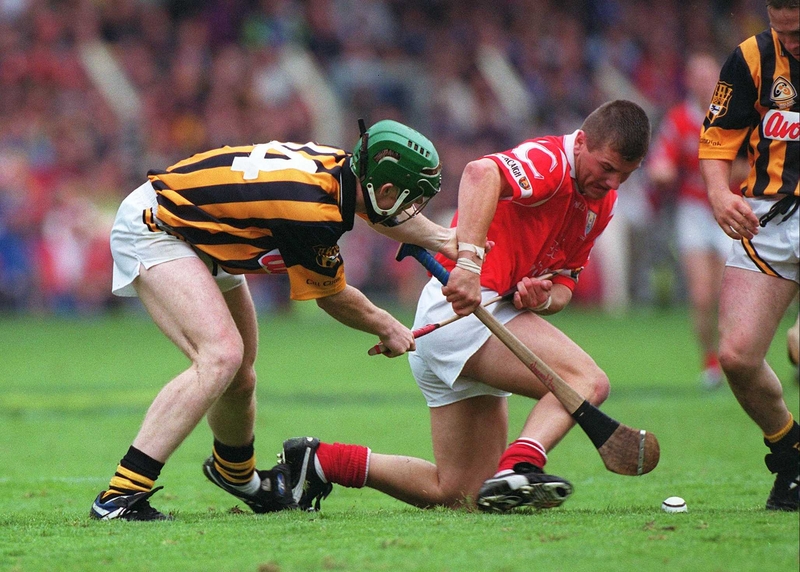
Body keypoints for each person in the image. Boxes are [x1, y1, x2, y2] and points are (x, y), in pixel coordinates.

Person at [280, 100, 651, 512]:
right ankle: (523, 464)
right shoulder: (551, 160)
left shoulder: (601, 202)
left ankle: (320, 462)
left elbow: (564, 285)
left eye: (625, 175)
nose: (613, 183)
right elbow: (480, 172)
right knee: (589, 382)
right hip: (463, 314)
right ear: (581, 143)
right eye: (607, 167)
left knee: (461, 493)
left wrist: (543, 298)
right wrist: (471, 264)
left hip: (472, 322)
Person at [89, 119, 457, 520]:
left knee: (240, 372)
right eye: (408, 199)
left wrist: (445, 240)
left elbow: (384, 215)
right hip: (160, 225)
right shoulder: (310, 210)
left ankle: (237, 476)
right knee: (220, 356)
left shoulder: (343, 171)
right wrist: (388, 325)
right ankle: (120, 496)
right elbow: (331, 297)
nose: (411, 210)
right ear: (383, 189)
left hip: (204, 231)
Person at [698, 0, 799, 512]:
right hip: (769, 217)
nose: (792, 43)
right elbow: (717, 140)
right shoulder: (751, 58)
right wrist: (719, 195)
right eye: (783, 33)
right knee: (737, 356)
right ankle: (791, 454)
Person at [647, 52, 735, 390]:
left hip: (730, 207)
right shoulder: (679, 119)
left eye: (709, 77)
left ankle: (734, 358)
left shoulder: (733, 115)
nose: (703, 84)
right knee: (701, 295)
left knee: (729, 293)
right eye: (697, 77)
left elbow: (747, 164)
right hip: (695, 211)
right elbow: (662, 160)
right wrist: (661, 172)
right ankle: (710, 362)